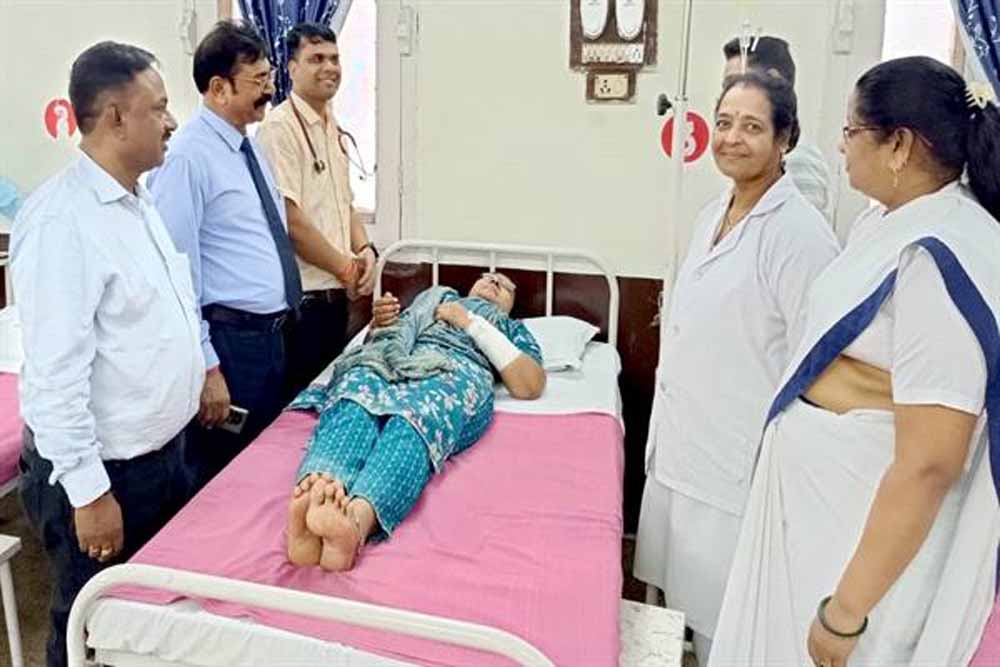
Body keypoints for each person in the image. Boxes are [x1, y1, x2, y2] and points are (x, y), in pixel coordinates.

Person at [709, 57, 1000, 667]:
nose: (841, 148)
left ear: (899, 146)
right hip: (824, 517)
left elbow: (930, 462)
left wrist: (845, 613)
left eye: (851, 131)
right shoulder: (889, 223)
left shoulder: (938, 255)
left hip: (861, 555)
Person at [634, 71, 840, 663]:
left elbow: (816, 362)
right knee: (684, 603)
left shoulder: (800, 236)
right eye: (724, 123)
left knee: (733, 621)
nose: (731, 138)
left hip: (737, 464)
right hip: (683, 451)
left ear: (785, 139)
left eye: (752, 126)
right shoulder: (712, 214)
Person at [10, 42, 202, 667]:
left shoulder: (136, 202)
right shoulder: (62, 222)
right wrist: (90, 495)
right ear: (116, 117)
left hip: (163, 459)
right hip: (108, 476)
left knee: (146, 630)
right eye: (160, 107)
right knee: (87, 631)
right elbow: (54, 378)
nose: (171, 121)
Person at [285, 272, 545, 571]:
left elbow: (530, 385)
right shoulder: (435, 299)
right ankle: (316, 496)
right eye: (486, 277)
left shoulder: (511, 328)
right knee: (356, 398)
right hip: (394, 358)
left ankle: (355, 521)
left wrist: (470, 323)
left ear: (512, 304)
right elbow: (388, 337)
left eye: (504, 285)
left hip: (454, 370)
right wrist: (380, 324)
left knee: (414, 420)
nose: (493, 282)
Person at [149, 21, 301, 489]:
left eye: (269, 77)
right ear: (218, 88)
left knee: (264, 467)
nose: (270, 90)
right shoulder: (188, 158)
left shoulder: (246, 148)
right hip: (230, 342)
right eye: (259, 81)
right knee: (228, 477)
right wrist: (207, 366)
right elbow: (176, 270)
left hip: (270, 336)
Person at [257, 22, 377, 396]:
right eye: (316, 59)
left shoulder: (332, 127)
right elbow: (290, 220)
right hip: (303, 305)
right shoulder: (279, 129)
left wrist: (365, 250)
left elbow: (345, 204)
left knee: (327, 400)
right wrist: (346, 268)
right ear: (291, 68)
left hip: (336, 299)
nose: (329, 67)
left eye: (334, 58)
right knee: (298, 408)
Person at [723, 35, 833, 218]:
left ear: (773, 79)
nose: (729, 92)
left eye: (735, 82)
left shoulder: (797, 158)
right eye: (726, 85)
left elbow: (799, 229)